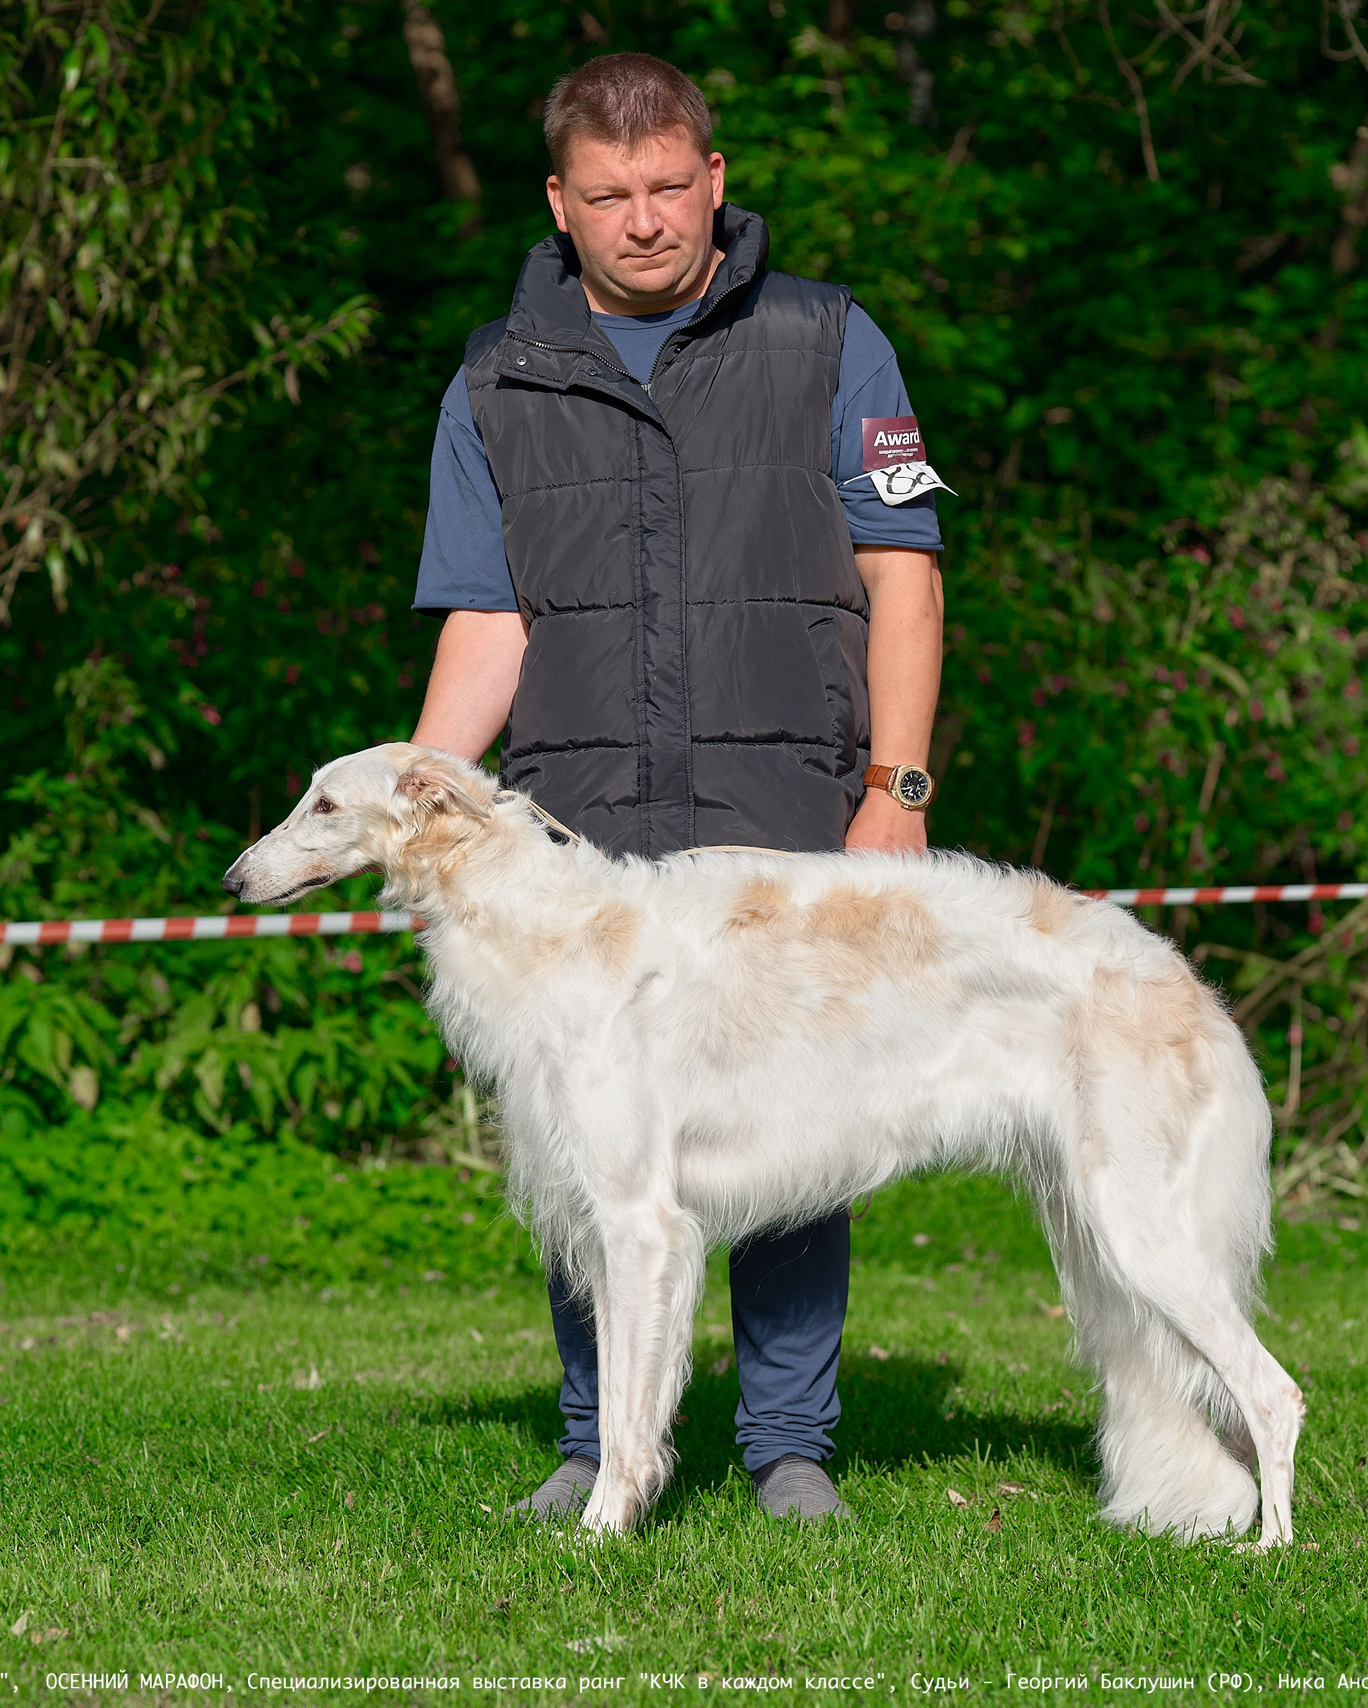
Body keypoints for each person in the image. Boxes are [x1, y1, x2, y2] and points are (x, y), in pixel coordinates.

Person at [408, 52, 946, 1522]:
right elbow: (485, 618)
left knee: (794, 1132)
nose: (643, 220)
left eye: (667, 188)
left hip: (789, 813)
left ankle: (788, 1448)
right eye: (609, 195)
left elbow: (905, 578)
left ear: (713, 179)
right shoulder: (494, 378)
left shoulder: (833, 343)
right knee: (591, 1144)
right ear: (559, 206)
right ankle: (596, 1439)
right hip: (574, 828)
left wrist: (895, 787)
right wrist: (423, 806)